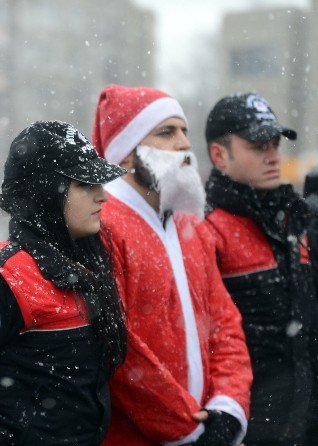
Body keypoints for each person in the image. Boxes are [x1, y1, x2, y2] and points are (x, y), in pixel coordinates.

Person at [0, 120, 128, 445]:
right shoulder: (1, 280)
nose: (103, 196)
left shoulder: (86, 267)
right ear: (46, 192)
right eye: (86, 184)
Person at [91, 84, 252, 446]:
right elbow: (120, 351)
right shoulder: (102, 225)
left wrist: (227, 408)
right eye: (167, 132)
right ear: (127, 154)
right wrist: (188, 430)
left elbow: (225, 325)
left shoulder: (190, 224)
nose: (184, 144)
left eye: (184, 131)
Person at [203, 92, 318, 446]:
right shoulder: (206, 230)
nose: (273, 156)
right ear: (219, 155)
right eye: (258, 146)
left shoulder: (295, 220)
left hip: (306, 418)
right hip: (250, 425)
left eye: (274, 144)